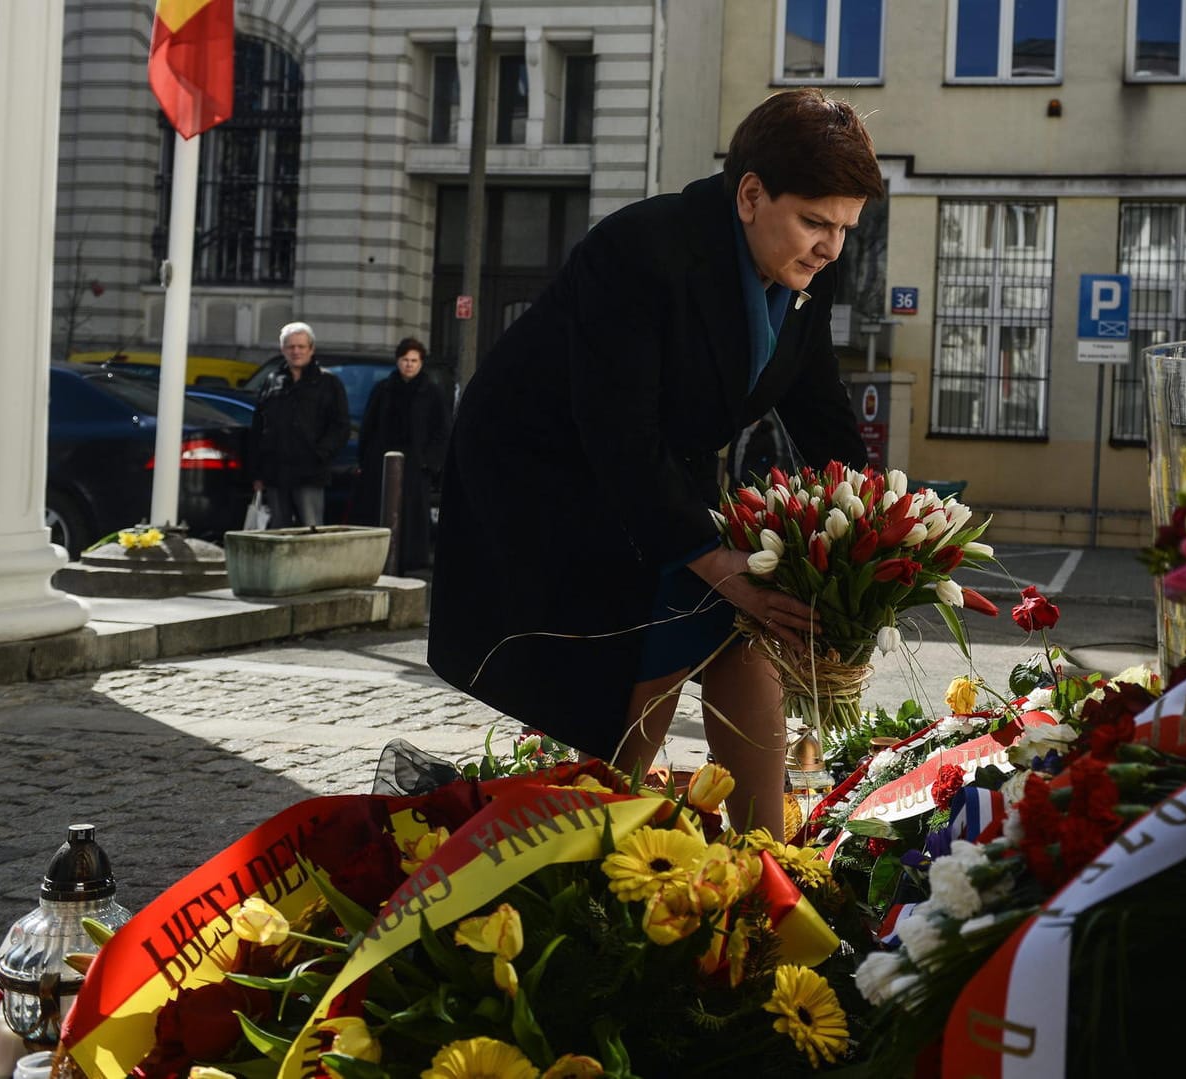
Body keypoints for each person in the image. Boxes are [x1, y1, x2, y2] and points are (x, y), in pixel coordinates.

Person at [428, 89, 879, 830]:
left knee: (737, 626)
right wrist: (712, 557)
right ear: (751, 194)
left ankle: (766, 853)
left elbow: (819, 406)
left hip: (656, 467)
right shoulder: (643, 249)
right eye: (815, 222)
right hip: (545, 467)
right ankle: (604, 842)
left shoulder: (807, 273)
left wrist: (876, 526)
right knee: (676, 617)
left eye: (845, 229)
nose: (830, 247)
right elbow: (616, 432)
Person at [355, 337, 450, 572]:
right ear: (398, 361)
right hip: (382, 463)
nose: (409, 365)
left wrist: (430, 463)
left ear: (421, 363)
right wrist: (366, 459)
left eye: (414, 360)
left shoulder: (432, 392)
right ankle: (380, 559)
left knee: (410, 516)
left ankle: (407, 560)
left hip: (416, 466)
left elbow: (442, 430)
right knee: (380, 510)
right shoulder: (383, 389)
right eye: (405, 360)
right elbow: (369, 425)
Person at [249, 321, 350, 528]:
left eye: (301, 346)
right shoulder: (272, 380)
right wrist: (257, 472)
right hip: (275, 473)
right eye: (290, 346)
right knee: (279, 533)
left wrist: (320, 454)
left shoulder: (328, 382)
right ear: (282, 349)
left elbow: (340, 426)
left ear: (311, 349)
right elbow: (258, 427)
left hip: (310, 473)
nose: (296, 351)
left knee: (311, 531)